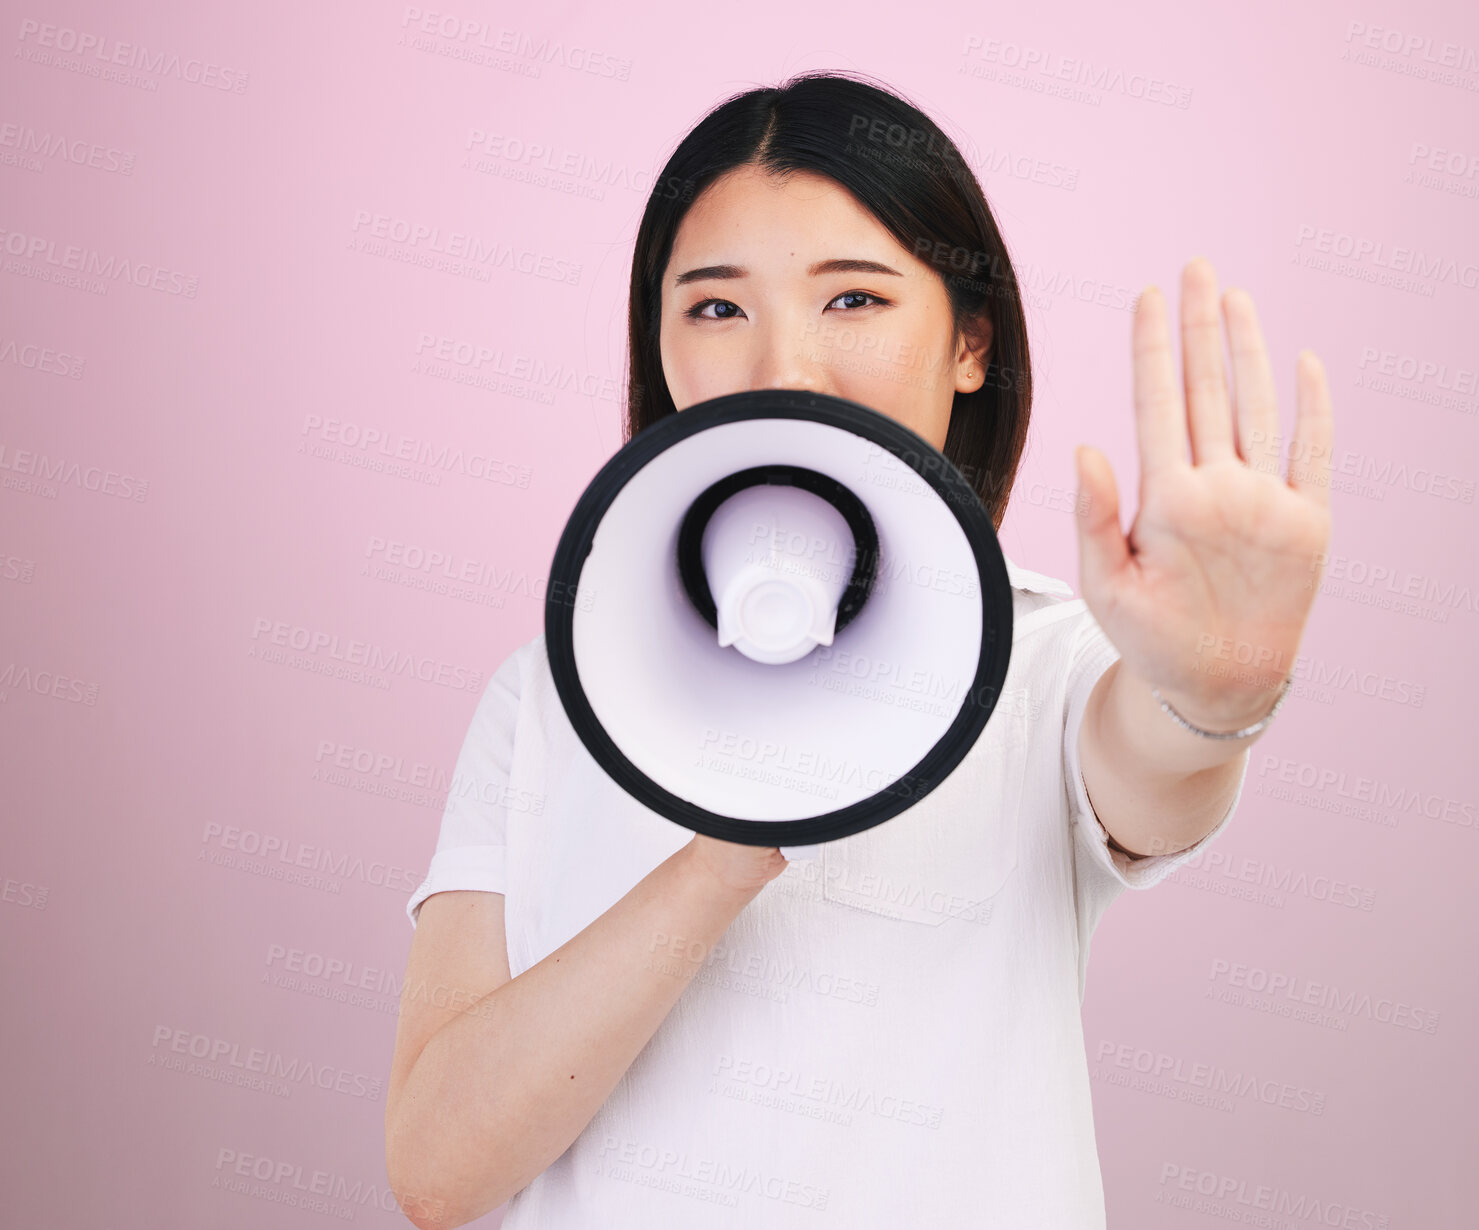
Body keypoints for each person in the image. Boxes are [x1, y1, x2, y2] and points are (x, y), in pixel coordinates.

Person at [384, 69, 1332, 1230]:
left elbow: (1154, 766)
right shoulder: (545, 696)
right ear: (660, 348)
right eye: (717, 308)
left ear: (972, 343)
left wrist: (1212, 693)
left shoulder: (1045, 665)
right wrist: (727, 842)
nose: (785, 372)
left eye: (855, 301)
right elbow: (437, 1169)